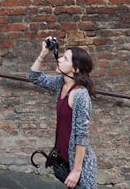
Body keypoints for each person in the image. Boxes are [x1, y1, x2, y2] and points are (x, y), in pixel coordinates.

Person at [29, 37, 98, 188]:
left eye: (65, 59)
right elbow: (34, 77)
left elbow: (82, 135)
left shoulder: (81, 95)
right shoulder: (61, 83)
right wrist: (44, 53)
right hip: (64, 161)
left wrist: (76, 170)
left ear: (75, 69)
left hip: (80, 168)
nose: (59, 60)